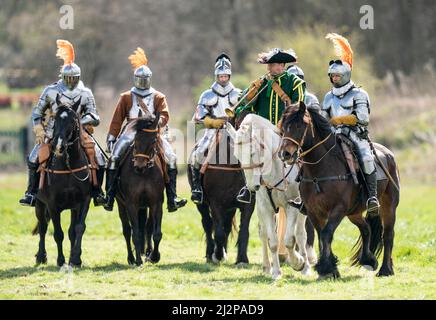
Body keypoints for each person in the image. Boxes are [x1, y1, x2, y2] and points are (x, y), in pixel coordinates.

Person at [19, 39, 105, 207]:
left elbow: (95, 116)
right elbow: (37, 113)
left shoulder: (86, 92)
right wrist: (39, 130)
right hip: (52, 132)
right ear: (63, 77)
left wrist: (80, 121)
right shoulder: (51, 91)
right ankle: (31, 193)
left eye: (74, 78)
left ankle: (97, 192)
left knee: (101, 159)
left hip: (80, 133)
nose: (72, 81)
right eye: (68, 78)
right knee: (33, 158)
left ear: (79, 77)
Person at [104, 48, 187, 212]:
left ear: (150, 79)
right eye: (139, 79)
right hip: (130, 132)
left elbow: (165, 115)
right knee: (114, 158)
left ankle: (172, 198)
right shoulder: (126, 97)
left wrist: (157, 122)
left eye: (145, 79)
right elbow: (117, 120)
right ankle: (110, 196)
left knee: (171, 157)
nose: (142, 82)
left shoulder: (158, 97)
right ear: (135, 79)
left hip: (151, 132)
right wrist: (112, 137)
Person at [235, 48, 306, 203]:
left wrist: (283, 125)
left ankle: (305, 187)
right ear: (269, 66)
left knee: (306, 154)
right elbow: (243, 105)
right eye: (275, 64)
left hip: (287, 132)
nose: (279, 67)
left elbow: (298, 109)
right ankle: (248, 188)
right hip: (263, 132)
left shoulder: (295, 82)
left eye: (282, 64)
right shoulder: (261, 83)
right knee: (248, 151)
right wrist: (251, 93)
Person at [321, 33, 379, 215]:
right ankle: (305, 195)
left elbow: (362, 118)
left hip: (355, 134)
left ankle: (372, 197)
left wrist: (341, 120)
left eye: (337, 75)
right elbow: (324, 119)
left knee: (366, 157)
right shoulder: (328, 96)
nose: (334, 78)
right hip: (333, 134)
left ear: (346, 74)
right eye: (332, 76)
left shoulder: (359, 94)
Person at [189, 53, 241, 204]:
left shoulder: (238, 94)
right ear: (216, 76)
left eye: (225, 76)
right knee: (197, 155)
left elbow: (245, 113)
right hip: (212, 131)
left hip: (234, 131)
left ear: (229, 76)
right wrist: (213, 122)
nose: (223, 79)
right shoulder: (207, 95)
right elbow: (199, 116)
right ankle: (197, 188)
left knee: (249, 154)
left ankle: (248, 189)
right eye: (221, 76)